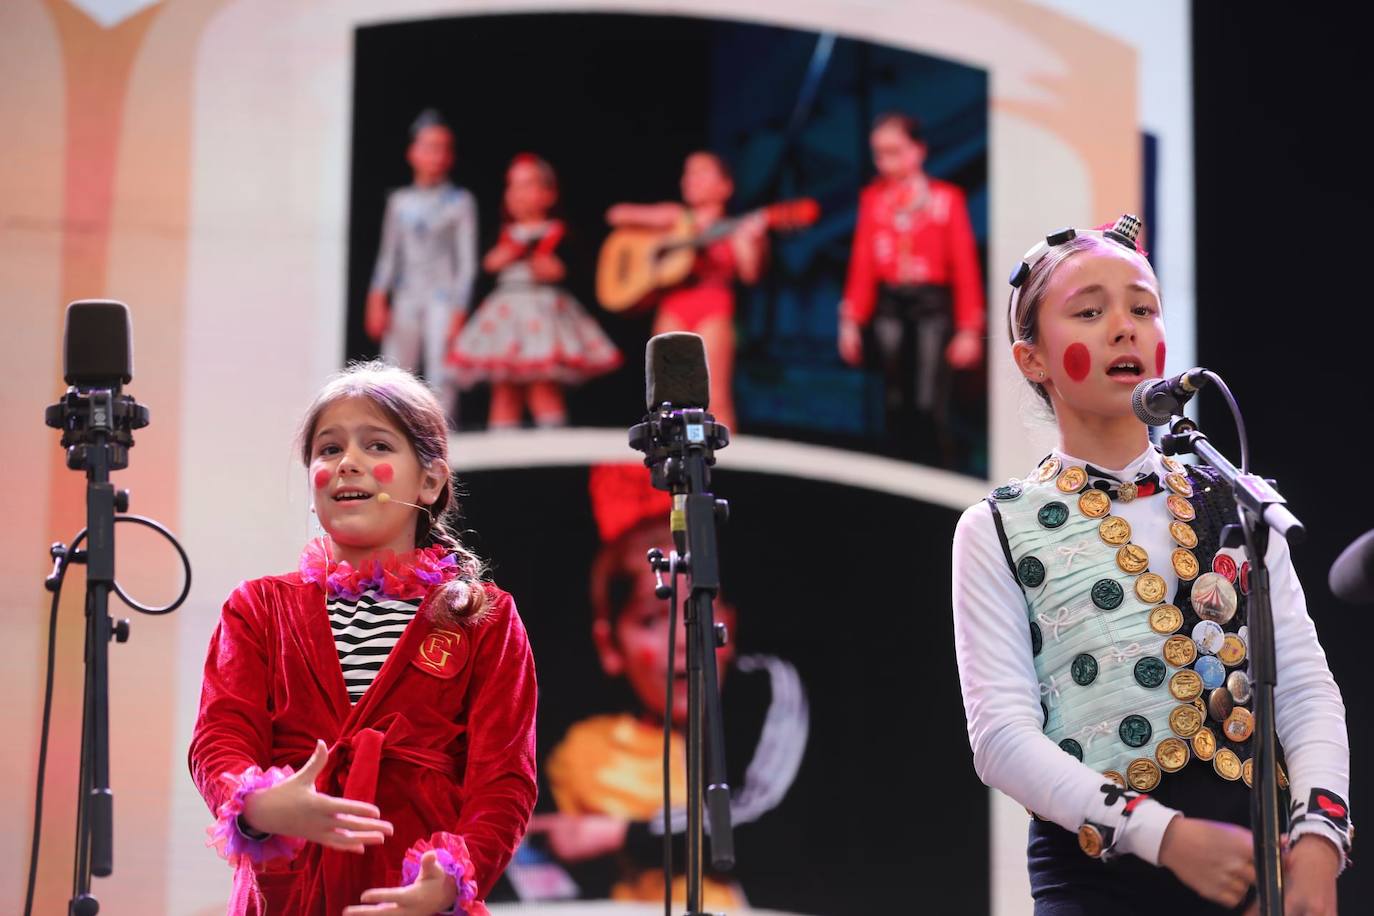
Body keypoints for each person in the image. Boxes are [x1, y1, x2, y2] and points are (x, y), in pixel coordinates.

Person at [951, 215, 1352, 914]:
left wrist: (1320, 835)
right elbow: (1001, 739)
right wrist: (1161, 835)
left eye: (1142, 308)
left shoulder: (1238, 501)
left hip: (1257, 866)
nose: (1124, 328)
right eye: (1089, 311)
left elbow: (1305, 685)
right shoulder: (997, 527)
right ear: (1032, 360)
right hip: (1097, 881)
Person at [189, 361, 537, 915]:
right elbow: (219, 738)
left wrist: (452, 882)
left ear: (430, 480)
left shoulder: (483, 618)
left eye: (376, 446)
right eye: (328, 451)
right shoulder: (258, 608)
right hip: (288, 894)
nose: (347, 463)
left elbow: (504, 783)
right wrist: (258, 803)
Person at [515, 464, 807, 908]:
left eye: (703, 609)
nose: (684, 639)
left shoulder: (764, 692)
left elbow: (765, 827)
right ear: (610, 644)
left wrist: (619, 835)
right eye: (653, 620)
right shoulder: (583, 754)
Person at [838, 112, 984, 464]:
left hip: (931, 305)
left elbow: (964, 266)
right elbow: (862, 263)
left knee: (927, 402)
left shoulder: (945, 199)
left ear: (917, 151)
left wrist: (969, 329)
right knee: (893, 400)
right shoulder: (873, 199)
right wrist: (850, 321)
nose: (886, 161)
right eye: (879, 153)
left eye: (895, 151)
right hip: (889, 305)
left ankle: (936, 474)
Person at [448, 153, 621, 428]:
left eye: (527, 185)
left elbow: (580, 269)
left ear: (548, 194)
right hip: (506, 316)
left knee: (544, 388)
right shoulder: (503, 232)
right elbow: (485, 267)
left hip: (544, 316)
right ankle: (499, 456)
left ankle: (552, 449)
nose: (517, 194)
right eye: (512, 186)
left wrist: (558, 269)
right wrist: (499, 257)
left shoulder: (559, 232)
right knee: (504, 391)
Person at [605, 152, 767, 431]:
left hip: (715, 307)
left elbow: (751, 274)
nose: (691, 179)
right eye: (688, 172)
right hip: (673, 307)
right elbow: (616, 214)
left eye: (702, 172)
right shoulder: (675, 216)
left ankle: (722, 471)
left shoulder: (735, 226)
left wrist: (749, 240)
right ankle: (671, 469)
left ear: (725, 186)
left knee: (716, 400)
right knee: (666, 402)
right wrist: (666, 236)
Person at [365, 110, 478, 424]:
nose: (436, 156)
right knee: (393, 371)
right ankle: (391, 436)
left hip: (442, 298)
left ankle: (440, 443)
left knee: (442, 373)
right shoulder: (400, 202)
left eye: (443, 148)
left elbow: (466, 264)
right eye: (429, 147)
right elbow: (388, 255)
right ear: (412, 152)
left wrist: (459, 311)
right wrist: (376, 298)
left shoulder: (460, 201)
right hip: (405, 296)